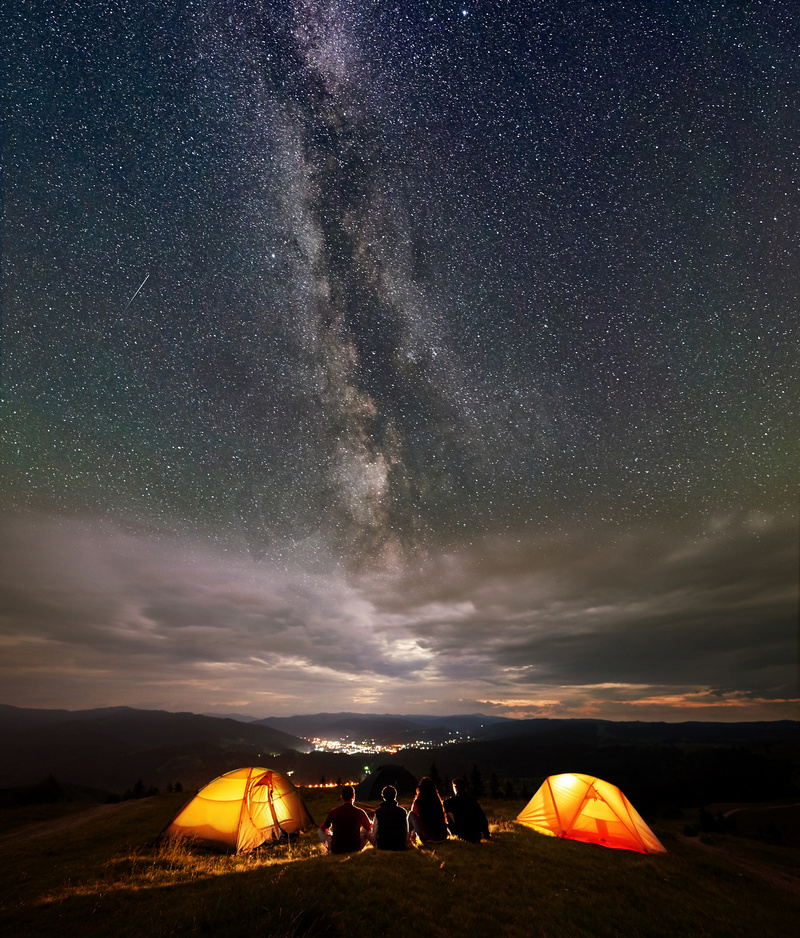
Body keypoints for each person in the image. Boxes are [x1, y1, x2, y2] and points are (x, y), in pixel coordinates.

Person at [319, 785, 372, 854]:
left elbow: (324, 827)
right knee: (368, 829)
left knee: (320, 831)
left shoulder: (334, 811)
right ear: (354, 796)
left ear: (341, 797)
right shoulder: (360, 812)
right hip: (355, 847)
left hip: (336, 848)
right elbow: (368, 827)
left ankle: (333, 845)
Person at [443, 777, 490, 843]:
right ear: (465, 788)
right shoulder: (472, 800)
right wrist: (486, 834)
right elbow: (482, 818)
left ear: (455, 789)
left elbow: (440, 807)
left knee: (443, 814)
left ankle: (438, 835)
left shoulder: (453, 801)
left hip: (461, 835)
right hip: (476, 836)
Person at [408, 776, 449, 844]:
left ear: (420, 789)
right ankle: (411, 836)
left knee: (411, 814)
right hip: (443, 837)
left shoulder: (419, 801)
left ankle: (409, 837)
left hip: (427, 838)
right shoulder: (437, 801)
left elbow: (414, 811)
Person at [371, 785, 409, 851]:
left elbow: (375, 833)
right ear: (395, 796)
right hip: (400, 846)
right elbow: (405, 831)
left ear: (383, 797)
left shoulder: (378, 812)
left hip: (383, 846)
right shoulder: (402, 811)